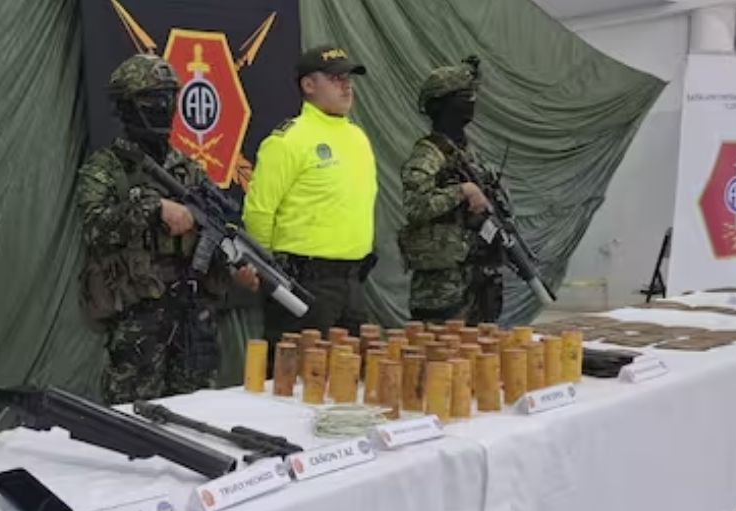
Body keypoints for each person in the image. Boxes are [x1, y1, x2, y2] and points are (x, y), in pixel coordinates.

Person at [76, 53, 257, 405]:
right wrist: (154, 207)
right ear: (127, 106)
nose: (163, 108)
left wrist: (237, 267)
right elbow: (95, 227)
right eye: (152, 99)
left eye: (168, 98)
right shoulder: (106, 168)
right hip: (139, 318)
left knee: (198, 412)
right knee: (131, 416)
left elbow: (217, 230)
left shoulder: (189, 170)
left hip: (193, 313)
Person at [243, 44, 379, 351]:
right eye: (335, 78)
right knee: (297, 373)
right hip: (305, 282)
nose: (346, 86)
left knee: (350, 373)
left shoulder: (358, 137)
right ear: (308, 85)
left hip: (354, 281)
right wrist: (269, 274)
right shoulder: (288, 140)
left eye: (348, 78)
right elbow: (259, 212)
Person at [398, 56, 505, 324]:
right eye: (464, 97)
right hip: (442, 285)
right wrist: (463, 191)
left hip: (475, 274)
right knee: (440, 348)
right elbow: (415, 206)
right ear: (443, 104)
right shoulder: (428, 155)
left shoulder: (468, 153)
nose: (471, 102)